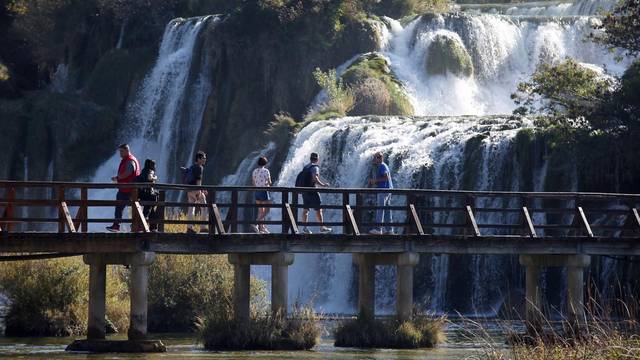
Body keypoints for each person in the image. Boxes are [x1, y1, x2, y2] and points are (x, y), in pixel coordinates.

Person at [106, 144, 140, 232]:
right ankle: (135, 226)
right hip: (128, 188)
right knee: (127, 207)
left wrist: (118, 178)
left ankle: (117, 226)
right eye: (119, 151)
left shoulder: (130, 160)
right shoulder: (129, 159)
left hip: (127, 189)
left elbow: (129, 172)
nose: (120, 153)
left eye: (121, 151)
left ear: (126, 150)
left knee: (119, 207)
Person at [299, 153, 332, 234]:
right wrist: (323, 185)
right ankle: (321, 227)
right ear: (317, 159)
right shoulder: (315, 167)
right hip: (312, 191)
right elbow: (315, 178)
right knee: (319, 209)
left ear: (310, 158)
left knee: (305, 210)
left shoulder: (306, 167)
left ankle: (305, 228)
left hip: (304, 191)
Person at [368, 152, 394, 235]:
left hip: (383, 190)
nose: (373, 159)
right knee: (387, 210)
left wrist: (375, 181)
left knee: (380, 209)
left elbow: (386, 177)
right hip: (388, 190)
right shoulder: (384, 165)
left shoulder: (382, 166)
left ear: (379, 158)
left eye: (374, 158)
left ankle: (378, 229)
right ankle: (389, 230)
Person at [184, 151, 208, 234]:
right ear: (199, 159)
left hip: (189, 190)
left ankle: (189, 228)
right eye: (203, 158)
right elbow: (198, 181)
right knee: (204, 207)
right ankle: (203, 227)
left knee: (191, 209)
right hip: (196, 190)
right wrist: (199, 192)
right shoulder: (200, 167)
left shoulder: (192, 167)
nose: (205, 160)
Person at [251, 156, 272, 234]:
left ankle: (262, 228)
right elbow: (270, 182)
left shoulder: (254, 171)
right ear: (265, 163)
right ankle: (256, 223)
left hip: (257, 192)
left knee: (261, 211)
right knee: (267, 210)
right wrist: (267, 184)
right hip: (264, 192)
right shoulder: (266, 171)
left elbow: (253, 183)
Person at [137, 159, 159, 232]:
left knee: (151, 210)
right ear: (151, 165)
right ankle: (143, 226)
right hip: (149, 195)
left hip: (142, 194)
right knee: (148, 211)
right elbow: (149, 177)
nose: (155, 166)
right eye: (154, 165)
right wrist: (155, 178)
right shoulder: (150, 171)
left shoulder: (143, 171)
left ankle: (153, 227)